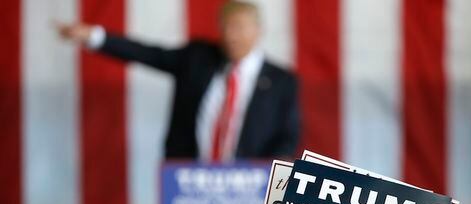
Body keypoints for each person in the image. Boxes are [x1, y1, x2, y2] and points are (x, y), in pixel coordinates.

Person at [57, 0, 300, 161]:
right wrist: (96, 37)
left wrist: (262, 175)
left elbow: (288, 138)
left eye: (238, 27)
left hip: (248, 193)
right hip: (191, 185)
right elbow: (148, 53)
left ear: (258, 30)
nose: (230, 35)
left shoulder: (282, 81)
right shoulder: (197, 58)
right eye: (225, 27)